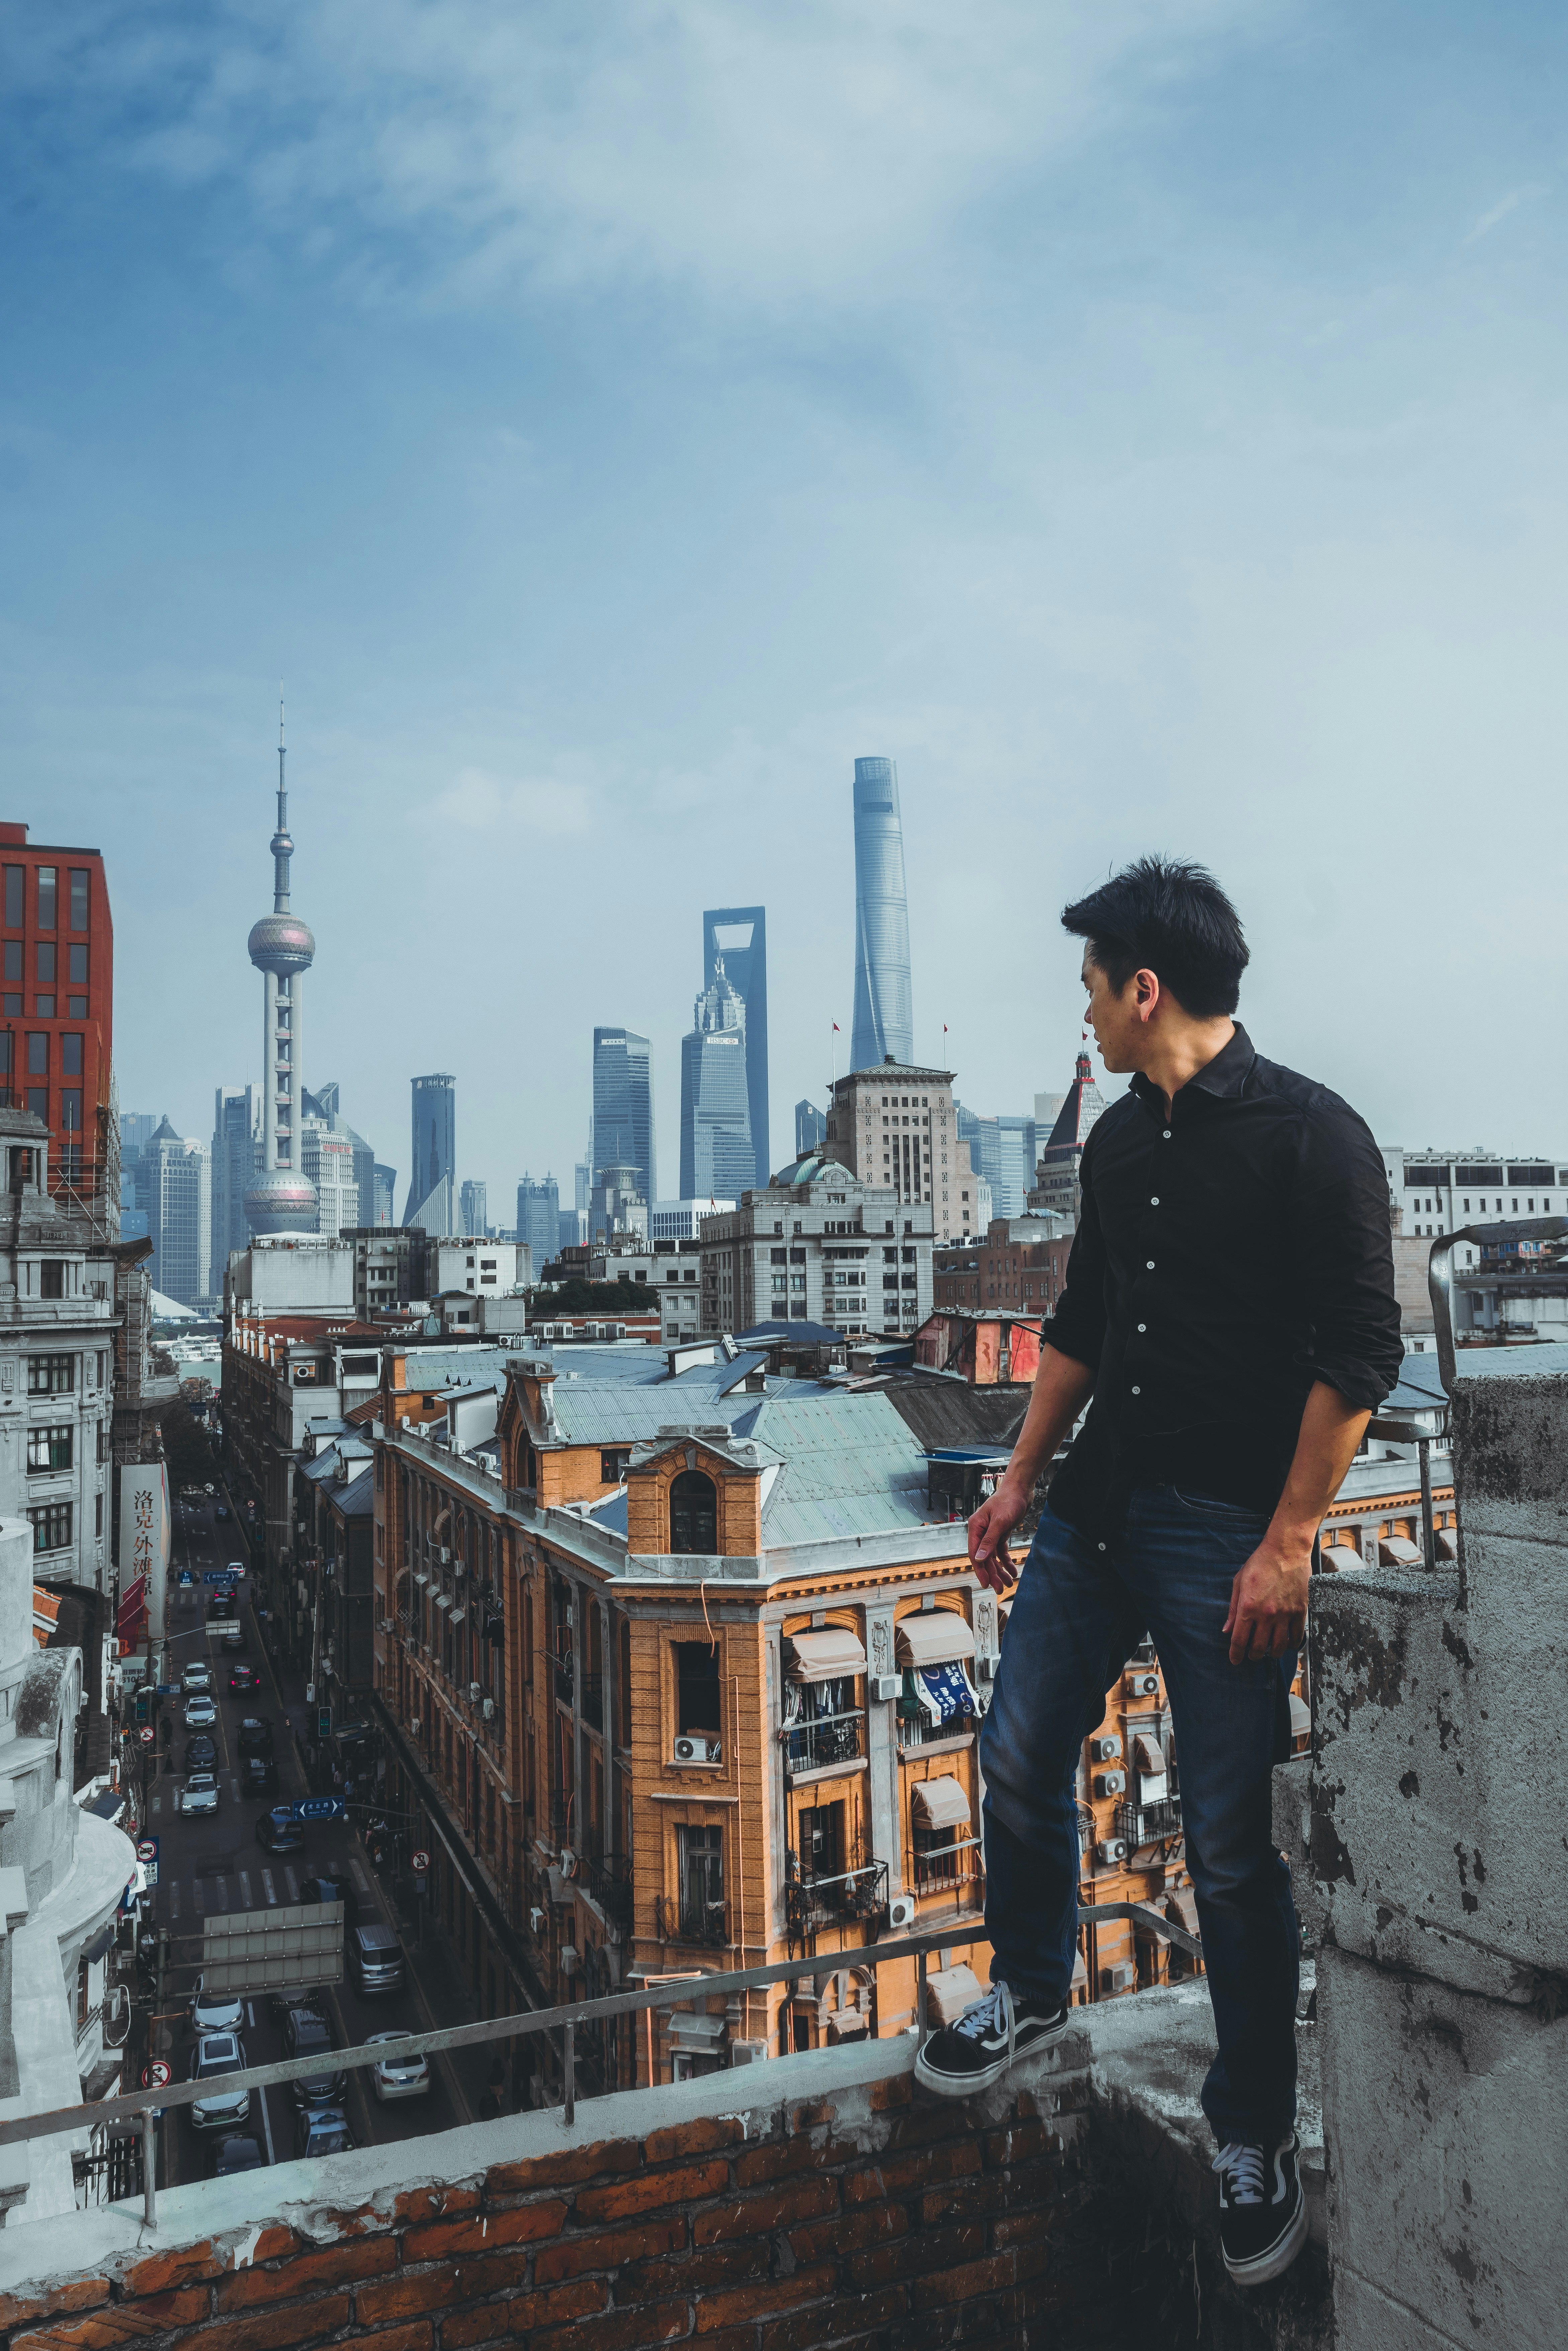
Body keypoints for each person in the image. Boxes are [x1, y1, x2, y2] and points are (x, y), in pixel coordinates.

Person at [914, 856, 1400, 2287]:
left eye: (1090, 985)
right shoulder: (1122, 1145)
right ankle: (1026, 1988)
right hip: (1094, 1512)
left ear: (1145, 989)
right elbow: (1074, 1322)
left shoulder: (1316, 1137)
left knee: (1227, 1838)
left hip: (1223, 1534)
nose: (1081, 1013)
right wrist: (1013, 1477)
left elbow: (1357, 1356)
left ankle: (1247, 2129)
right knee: (1014, 1753)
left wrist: (1287, 1539)